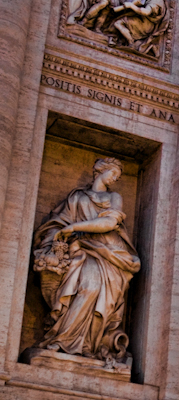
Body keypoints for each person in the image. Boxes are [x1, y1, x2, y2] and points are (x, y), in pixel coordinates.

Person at [31, 157, 140, 367]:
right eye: (113, 173)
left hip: (109, 253)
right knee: (82, 288)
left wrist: (73, 228)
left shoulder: (114, 197)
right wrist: (58, 235)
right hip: (80, 249)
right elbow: (57, 223)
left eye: (118, 176)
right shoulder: (76, 198)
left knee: (95, 291)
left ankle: (89, 345)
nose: (115, 178)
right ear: (99, 171)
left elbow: (109, 222)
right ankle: (62, 339)